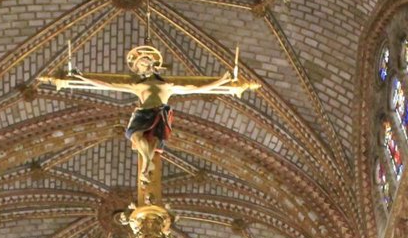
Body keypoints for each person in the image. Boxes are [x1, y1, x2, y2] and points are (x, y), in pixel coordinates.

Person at [43, 46, 254, 185]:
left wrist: (223, 82)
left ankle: (146, 166)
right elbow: (108, 84)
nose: (143, 65)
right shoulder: (138, 85)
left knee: (150, 142)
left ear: (152, 65)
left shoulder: (168, 86)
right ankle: (146, 163)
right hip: (142, 114)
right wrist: (82, 78)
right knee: (134, 137)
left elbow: (198, 88)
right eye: (140, 63)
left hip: (159, 114)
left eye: (146, 62)